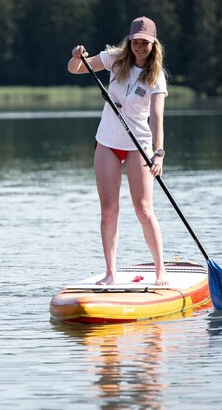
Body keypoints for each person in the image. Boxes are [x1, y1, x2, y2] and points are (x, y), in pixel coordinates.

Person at [67, 16, 169, 286]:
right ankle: (110, 272)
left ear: (153, 44)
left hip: (139, 146)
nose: (139, 47)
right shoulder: (114, 58)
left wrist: (158, 153)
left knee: (143, 209)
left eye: (144, 43)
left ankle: (160, 271)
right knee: (109, 211)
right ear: (130, 40)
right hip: (107, 143)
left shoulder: (156, 76)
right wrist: (77, 55)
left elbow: (157, 117)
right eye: (135, 41)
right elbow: (75, 69)